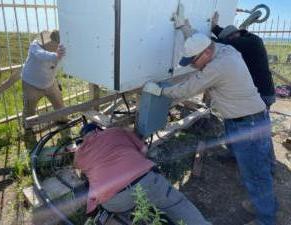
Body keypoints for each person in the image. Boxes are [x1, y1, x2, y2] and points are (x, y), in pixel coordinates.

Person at [143, 16, 277, 225]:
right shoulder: (223, 49)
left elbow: (186, 90)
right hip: (245, 118)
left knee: (256, 174)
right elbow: (199, 40)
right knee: (255, 167)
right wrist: (185, 28)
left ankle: (266, 219)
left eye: (194, 61)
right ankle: (261, 202)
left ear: (206, 53)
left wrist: (160, 90)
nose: (194, 66)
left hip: (247, 123)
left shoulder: (218, 67)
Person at [74, 123, 211, 225]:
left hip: (113, 201)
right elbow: (144, 149)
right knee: (178, 204)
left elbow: (82, 170)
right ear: (99, 129)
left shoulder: (79, 154)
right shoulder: (115, 131)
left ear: (83, 138)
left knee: (133, 206)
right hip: (145, 181)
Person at [211, 12, 276, 109]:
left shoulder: (247, 43)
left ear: (235, 35)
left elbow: (224, 43)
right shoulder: (249, 39)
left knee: (250, 121)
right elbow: (229, 39)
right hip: (263, 93)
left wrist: (197, 37)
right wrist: (215, 27)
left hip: (261, 95)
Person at [22, 30, 66, 148]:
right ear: (50, 41)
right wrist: (56, 55)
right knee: (29, 110)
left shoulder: (59, 50)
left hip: (50, 83)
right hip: (31, 84)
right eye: (56, 43)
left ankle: (62, 123)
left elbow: (54, 68)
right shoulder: (35, 46)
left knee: (59, 104)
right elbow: (42, 55)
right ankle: (28, 132)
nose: (57, 46)